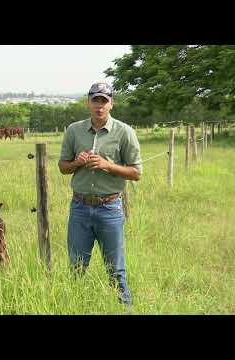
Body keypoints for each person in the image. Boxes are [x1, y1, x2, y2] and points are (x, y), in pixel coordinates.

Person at [58, 82, 142, 306]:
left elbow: (136, 173)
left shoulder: (125, 132)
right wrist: (77, 162)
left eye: (104, 101)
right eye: (95, 100)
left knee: (115, 268)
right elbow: (62, 167)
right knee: (76, 266)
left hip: (110, 208)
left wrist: (108, 165)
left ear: (111, 104)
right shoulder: (74, 130)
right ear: (88, 103)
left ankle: (124, 309)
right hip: (80, 208)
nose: (99, 105)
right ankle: (75, 307)